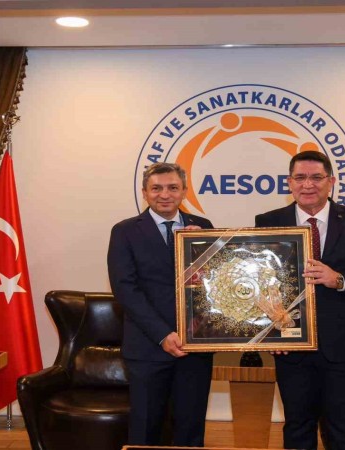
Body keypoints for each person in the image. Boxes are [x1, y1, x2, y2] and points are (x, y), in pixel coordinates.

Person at [255, 151, 345, 450]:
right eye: (300, 177)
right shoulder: (268, 221)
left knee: (344, 430)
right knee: (297, 427)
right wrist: (269, 333)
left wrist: (340, 279)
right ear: (289, 183)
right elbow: (259, 283)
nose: (308, 184)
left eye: (316, 177)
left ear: (331, 182)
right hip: (292, 345)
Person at [107, 162, 214, 447]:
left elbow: (215, 285)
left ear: (184, 191)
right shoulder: (124, 231)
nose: (165, 194)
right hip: (148, 347)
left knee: (191, 429)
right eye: (156, 188)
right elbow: (125, 289)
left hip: (195, 346)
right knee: (145, 429)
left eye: (172, 188)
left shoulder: (202, 227)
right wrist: (163, 334)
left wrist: (199, 247)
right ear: (144, 192)